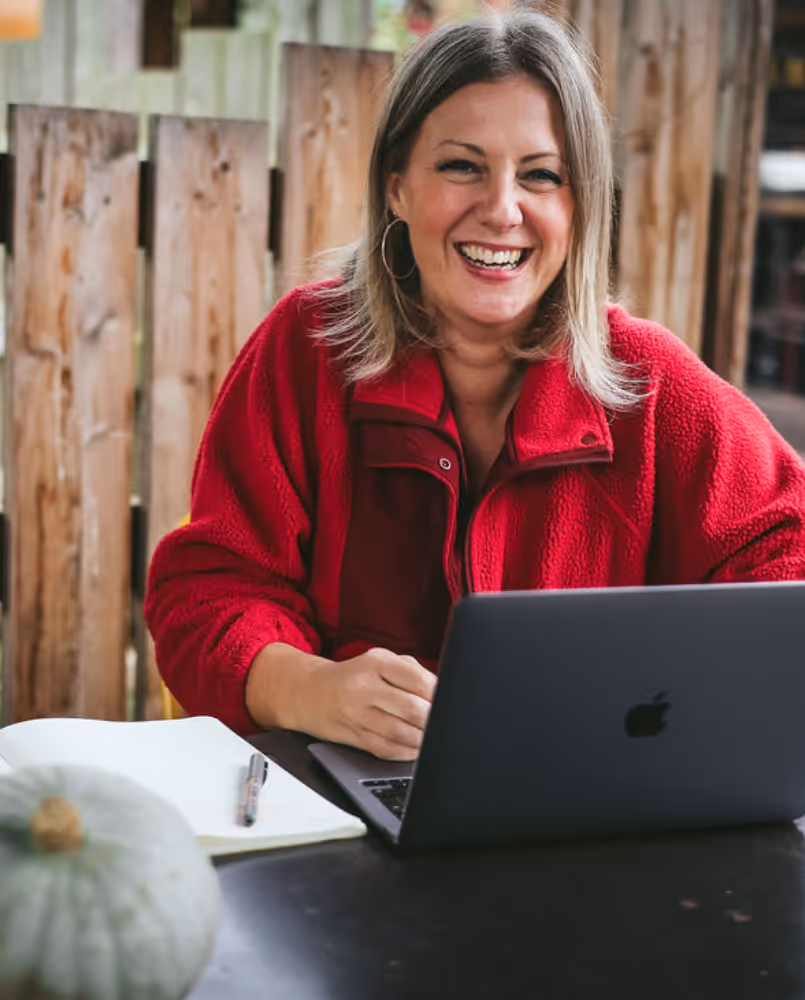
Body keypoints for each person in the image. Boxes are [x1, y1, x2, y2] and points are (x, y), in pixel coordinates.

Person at [145, 11, 805, 761]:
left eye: (541, 175)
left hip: (582, 815)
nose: (500, 209)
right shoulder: (307, 348)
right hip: (339, 814)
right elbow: (206, 589)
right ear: (395, 186)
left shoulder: (648, 383)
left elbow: (787, 562)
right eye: (461, 165)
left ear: (578, 205)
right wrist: (307, 689)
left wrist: (656, 707)